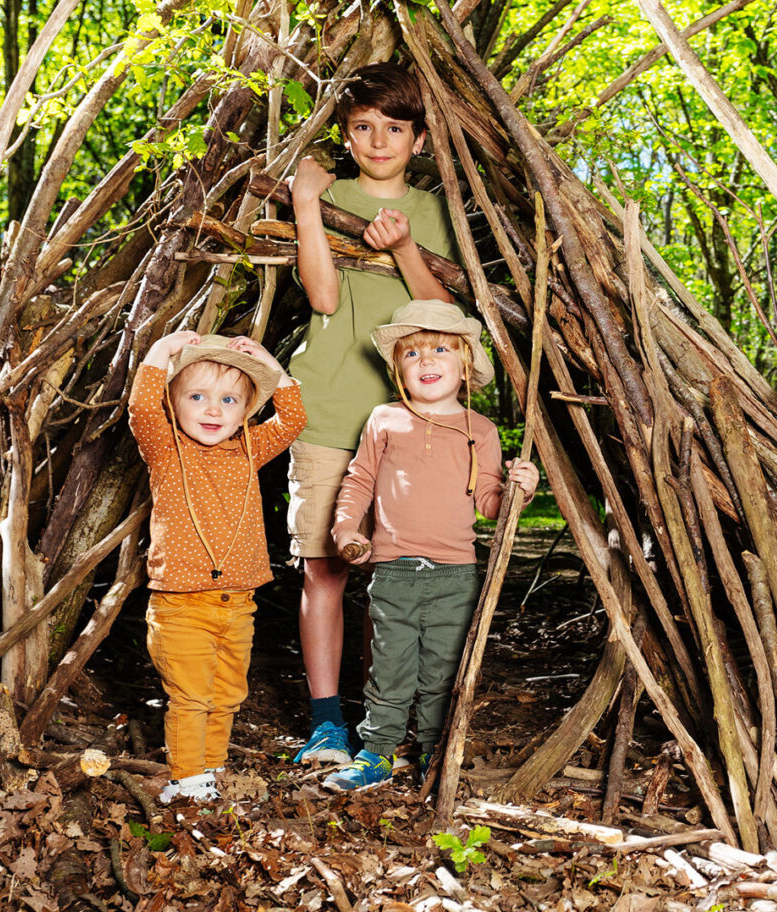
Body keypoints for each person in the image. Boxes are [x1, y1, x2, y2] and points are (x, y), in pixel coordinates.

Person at [288, 62, 459, 764]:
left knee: (394, 576)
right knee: (324, 567)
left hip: (410, 421)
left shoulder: (435, 213)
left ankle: (379, 721)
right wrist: (306, 204)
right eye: (363, 127)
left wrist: (404, 248)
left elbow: (441, 314)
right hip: (329, 406)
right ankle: (326, 720)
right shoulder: (329, 194)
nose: (379, 140)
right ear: (346, 134)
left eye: (395, 128)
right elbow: (324, 298)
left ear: (419, 139)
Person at [324, 300, 539, 790]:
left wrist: (516, 492)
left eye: (439, 349)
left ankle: (433, 752)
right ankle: (376, 751)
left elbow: (489, 501)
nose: (425, 361)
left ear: (464, 363)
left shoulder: (480, 430)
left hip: (455, 573)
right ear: (397, 367)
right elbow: (359, 480)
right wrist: (345, 529)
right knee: (389, 665)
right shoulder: (384, 420)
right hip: (394, 568)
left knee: (443, 668)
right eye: (412, 353)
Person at [128, 332, 306, 803]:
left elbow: (294, 418)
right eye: (197, 397)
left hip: (240, 603)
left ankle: (211, 768)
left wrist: (270, 362)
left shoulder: (250, 449)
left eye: (228, 400)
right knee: (190, 697)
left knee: (228, 693)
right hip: (181, 605)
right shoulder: (167, 449)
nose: (213, 410)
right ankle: (187, 781)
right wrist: (159, 353)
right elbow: (142, 410)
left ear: (245, 410)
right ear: (173, 402)